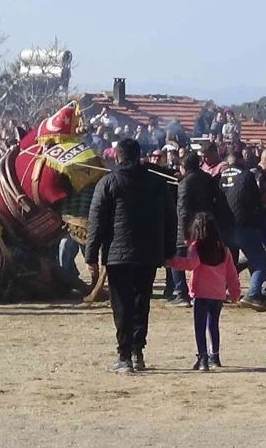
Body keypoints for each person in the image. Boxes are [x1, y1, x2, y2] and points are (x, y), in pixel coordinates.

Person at [85, 139, 172, 374]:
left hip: (117, 255)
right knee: (141, 303)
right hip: (148, 253)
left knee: (121, 305)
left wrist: (90, 254)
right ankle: (137, 351)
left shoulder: (108, 182)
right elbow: (170, 219)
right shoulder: (157, 183)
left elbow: (97, 221)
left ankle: (125, 355)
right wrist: (169, 251)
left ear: (117, 157)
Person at [167, 213, 241, 372]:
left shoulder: (196, 247)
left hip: (201, 293)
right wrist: (235, 293)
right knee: (213, 325)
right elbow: (231, 273)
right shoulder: (223, 249)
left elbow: (190, 264)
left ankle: (202, 359)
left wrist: (171, 261)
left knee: (199, 327)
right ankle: (215, 356)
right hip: (218, 295)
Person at [171, 152, 230, 307]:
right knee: (205, 258)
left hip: (190, 226)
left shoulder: (185, 183)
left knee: (177, 257)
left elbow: (182, 209)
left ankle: (181, 293)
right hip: (207, 225)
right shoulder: (207, 178)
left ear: (184, 167)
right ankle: (207, 290)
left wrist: (183, 233)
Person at [219, 152, 266, 311]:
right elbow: (255, 200)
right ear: (241, 161)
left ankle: (220, 292)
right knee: (260, 261)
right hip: (244, 225)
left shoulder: (221, 176)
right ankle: (253, 294)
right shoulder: (247, 176)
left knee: (228, 263)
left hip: (225, 226)